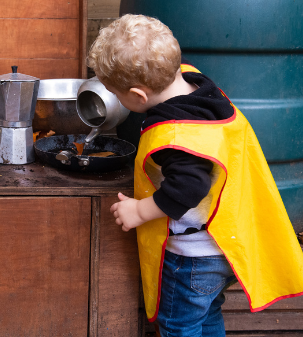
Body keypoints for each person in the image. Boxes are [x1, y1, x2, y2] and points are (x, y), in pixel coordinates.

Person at [94, 15, 303, 336]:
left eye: (116, 94)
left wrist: (139, 211)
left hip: (194, 257)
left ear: (138, 96)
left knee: (180, 325)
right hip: (227, 245)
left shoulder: (176, 138)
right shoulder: (195, 85)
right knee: (207, 315)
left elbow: (188, 187)